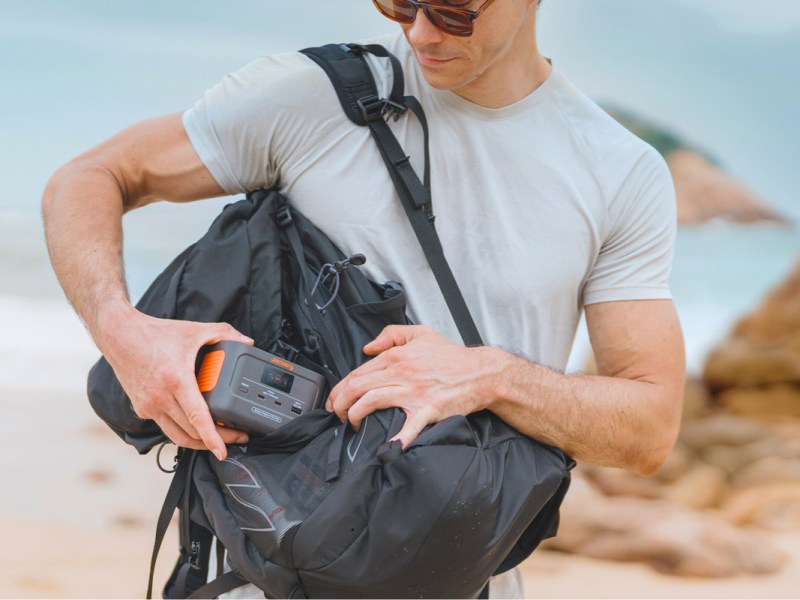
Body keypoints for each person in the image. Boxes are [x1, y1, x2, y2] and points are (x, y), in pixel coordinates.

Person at [43, 0, 685, 596]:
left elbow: (649, 428)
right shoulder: (313, 96)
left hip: (445, 573)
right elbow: (89, 176)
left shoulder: (617, 171)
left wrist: (491, 375)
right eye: (400, 3)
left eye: (455, 12)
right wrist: (123, 333)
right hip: (257, 568)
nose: (421, 32)